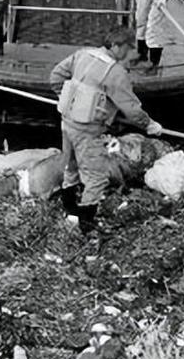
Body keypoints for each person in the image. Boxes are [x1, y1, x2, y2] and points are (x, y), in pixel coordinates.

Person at [50, 28, 163, 235]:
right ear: (117, 47)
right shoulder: (115, 72)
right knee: (96, 177)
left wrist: (66, 99)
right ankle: (85, 226)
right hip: (88, 131)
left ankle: (69, 210)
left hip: (66, 122)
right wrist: (150, 125)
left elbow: (56, 76)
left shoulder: (82, 54)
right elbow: (131, 108)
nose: (131, 56)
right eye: (130, 50)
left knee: (71, 166)